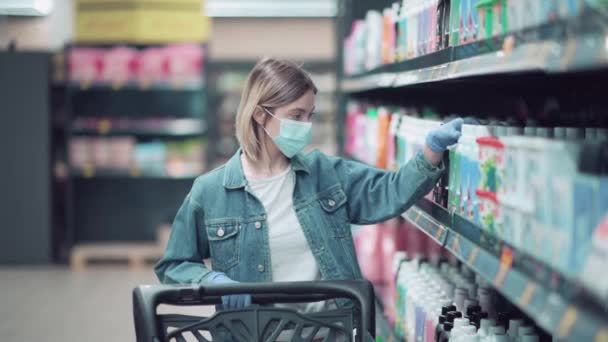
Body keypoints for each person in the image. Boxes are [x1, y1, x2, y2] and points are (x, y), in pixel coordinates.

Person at [154, 58, 462, 315]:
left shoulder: (325, 173)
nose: (305, 126)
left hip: (327, 331)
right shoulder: (210, 191)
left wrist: (430, 152)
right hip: (254, 332)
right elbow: (174, 263)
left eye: (310, 115)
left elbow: (389, 191)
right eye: (296, 116)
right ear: (261, 114)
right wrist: (213, 280)